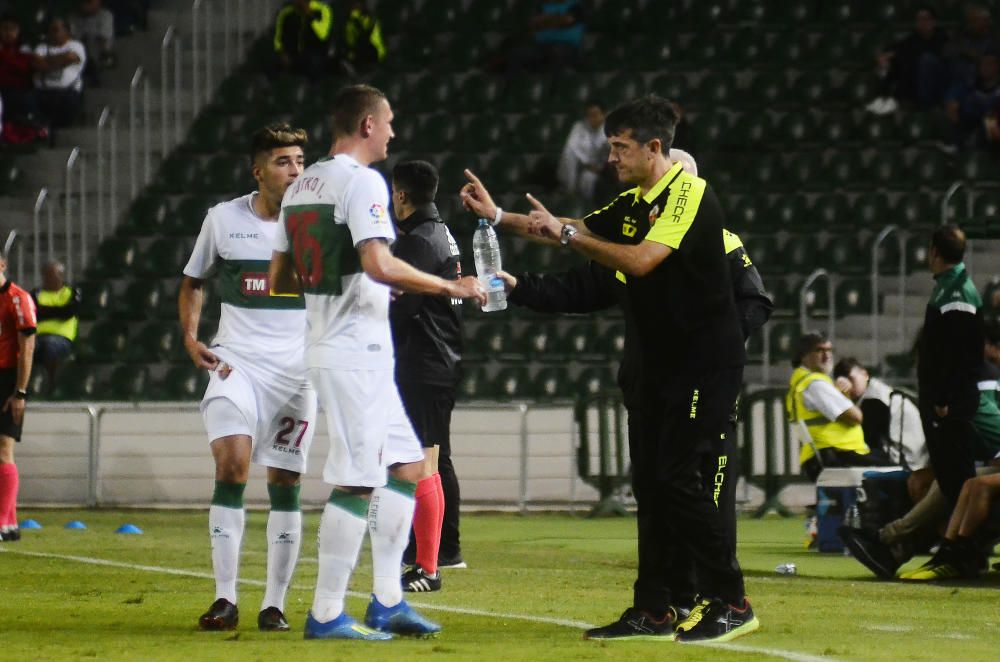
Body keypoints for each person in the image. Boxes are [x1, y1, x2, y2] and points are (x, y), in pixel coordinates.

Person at [461, 95, 757, 643]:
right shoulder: (634, 199)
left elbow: (641, 258)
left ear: (654, 147)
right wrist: (500, 217)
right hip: (659, 367)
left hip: (702, 363)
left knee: (676, 479)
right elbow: (564, 225)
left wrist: (569, 235)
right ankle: (655, 608)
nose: (611, 158)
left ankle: (730, 599)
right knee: (651, 484)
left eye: (620, 147)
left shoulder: (689, 193)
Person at [268, 84, 485, 641]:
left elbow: (280, 279)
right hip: (353, 353)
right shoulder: (362, 181)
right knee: (357, 481)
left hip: (343, 345)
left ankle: (387, 601)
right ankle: (325, 612)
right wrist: (449, 286)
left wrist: (342, 286)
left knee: (409, 467)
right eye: (388, 121)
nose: (392, 131)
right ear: (367, 125)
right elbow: (381, 263)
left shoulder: (300, 186)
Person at [179, 123, 318, 633]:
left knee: (285, 482)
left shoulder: (320, 224)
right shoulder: (223, 219)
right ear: (258, 170)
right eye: (284, 162)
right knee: (233, 465)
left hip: (297, 374)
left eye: (301, 161)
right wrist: (192, 337)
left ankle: (274, 604)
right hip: (236, 363)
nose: (296, 170)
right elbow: (193, 282)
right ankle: (225, 599)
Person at [387, 160, 465, 592]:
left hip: (424, 361)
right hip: (439, 358)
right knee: (434, 457)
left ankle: (431, 559)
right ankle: (434, 552)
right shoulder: (442, 231)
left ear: (400, 195)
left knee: (426, 462)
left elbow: (404, 307)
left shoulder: (418, 241)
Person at [918, 224, 984, 508]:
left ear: (934, 252)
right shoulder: (949, 287)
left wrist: (943, 400)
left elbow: (956, 354)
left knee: (957, 477)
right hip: (948, 400)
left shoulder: (956, 294)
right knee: (950, 477)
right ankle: (958, 543)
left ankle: (967, 545)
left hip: (949, 404)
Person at [786, 333, 884, 482]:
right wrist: (846, 395)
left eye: (829, 350)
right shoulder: (816, 384)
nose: (827, 356)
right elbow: (856, 417)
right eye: (820, 350)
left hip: (827, 455)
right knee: (898, 471)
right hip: (838, 456)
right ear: (803, 356)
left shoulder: (800, 382)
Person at [833, 357, 930, 499]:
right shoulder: (877, 391)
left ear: (865, 375)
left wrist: (841, 398)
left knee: (844, 456)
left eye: (851, 379)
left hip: (906, 461)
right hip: (911, 457)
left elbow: (866, 442)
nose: (849, 386)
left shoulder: (874, 399)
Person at [0, 251, 36, 543]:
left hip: (8, 377)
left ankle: (1, 522)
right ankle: (10, 523)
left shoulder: (18, 298)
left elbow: (28, 348)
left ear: (2, 264)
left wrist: (20, 391)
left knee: (4, 447)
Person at [866, 5, 950, 114]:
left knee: (925, 60)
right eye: (919, 20)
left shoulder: (942, 38)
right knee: (893, 63)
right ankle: (885, 99)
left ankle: (923, 105)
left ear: (933, 21)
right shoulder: (913, 39)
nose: (922, 23)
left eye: (926, 19)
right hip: (916, 83)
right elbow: (898, 48)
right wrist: (885, 58)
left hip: (936, 84)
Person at [31, 260, 80, 392]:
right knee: (23, 347)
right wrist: (57, 310)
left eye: (53, 275)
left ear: (61, 276)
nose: (49, 278)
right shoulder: (36, 293)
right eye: (46, 275)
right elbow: (33, 313)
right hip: (37, 336)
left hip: (62, 338)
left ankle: (52, 386)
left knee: (49, 346)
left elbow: (68, 313)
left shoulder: (72, 292)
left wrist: (44, 310)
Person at [32, 17, 86, 129]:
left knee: (69, 102)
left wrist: (47, 61)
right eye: (51, 29)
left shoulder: (76, 46)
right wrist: (60, 61)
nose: (53, 33)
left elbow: (70, 58)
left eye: (56, 29)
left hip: (67, 93)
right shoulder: (41, 47)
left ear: (66, 30)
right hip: (43, 92)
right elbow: (37, 63)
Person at [557, 100, 608, 203]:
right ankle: (569, 193)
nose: (592, 119)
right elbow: (571, 149)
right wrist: (585, 164)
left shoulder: (610, 129)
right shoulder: (579, 127)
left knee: (587, 178)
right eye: (589, 115)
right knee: (568, 153)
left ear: (604, 115)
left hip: (599, 169)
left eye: (595, 115)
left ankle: (585, 206)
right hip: (577, 166)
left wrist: (599, 168)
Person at [273, 0, 332, 77]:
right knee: (273, 66)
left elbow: (323, 35)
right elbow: (279, 38)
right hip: (291, 55)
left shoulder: (322, 11)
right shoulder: (287, 14)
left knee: (314, 63)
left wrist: (309, 16)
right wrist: (282, 53)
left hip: (314, 54)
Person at [69, 0, 115, 86]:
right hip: (80, 52)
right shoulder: (74, 17)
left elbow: (103, 38)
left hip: (99, 52)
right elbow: (74, 37)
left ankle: (95, 72)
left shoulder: (105, 15)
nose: (87, 6)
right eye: (85, 2)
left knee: (96, 41)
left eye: (90, 2)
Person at [340, 0, 385, 75]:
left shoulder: (369, 19)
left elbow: (375, 38)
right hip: (355, 55)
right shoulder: (347, 20)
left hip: (370, 53)